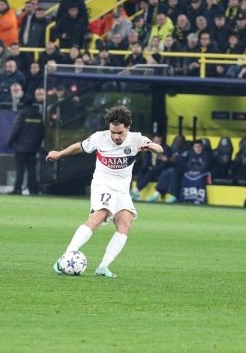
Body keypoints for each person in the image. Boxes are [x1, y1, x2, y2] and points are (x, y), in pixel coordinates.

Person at [47, 106, 163, 277]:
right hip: (103, 185)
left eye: (120, 133)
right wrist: (59, 154)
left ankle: (103, 267)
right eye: (113, 132)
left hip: (122, 189)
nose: (116, 136)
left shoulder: (137, 139)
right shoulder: (99, 138)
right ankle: (66, 256)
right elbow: (79, 147)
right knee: (99, 216)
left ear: (128, 128)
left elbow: (159, 149)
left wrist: (151, 146)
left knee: (125, 222)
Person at [7, 90, 45, 195]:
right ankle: (32, 189)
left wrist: (10, 142)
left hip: (21, 147)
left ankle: (17, 189)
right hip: (33, 147)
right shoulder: (38, 115)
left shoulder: (22, 114)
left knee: (20, 169)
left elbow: (16, 130)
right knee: (31, 169)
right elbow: (42, 132)